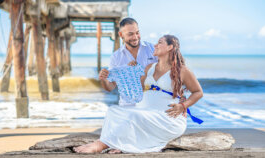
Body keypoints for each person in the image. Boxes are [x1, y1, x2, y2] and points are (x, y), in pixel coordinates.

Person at [73, 35, 203, 153]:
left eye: (160, 42)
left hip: (167, 119)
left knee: (134, 116)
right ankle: (120, 144)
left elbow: (198, 92)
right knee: (113, 111)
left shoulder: (182, 71)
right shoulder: (149, 68)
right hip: (145, 113)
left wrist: (183, 106)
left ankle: (100, 145)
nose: (155, 45)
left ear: (170, 47)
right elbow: (137, 89)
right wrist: (131, 72)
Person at [99, 17, 158, 107]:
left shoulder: (152, 49)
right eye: (130, 34)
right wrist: (103, 79)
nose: (135, 37)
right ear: (121, 34)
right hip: (127, 107)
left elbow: (168, 74)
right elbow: (110, 87)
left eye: (137, 33)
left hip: (150, 106)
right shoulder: (116, 57)